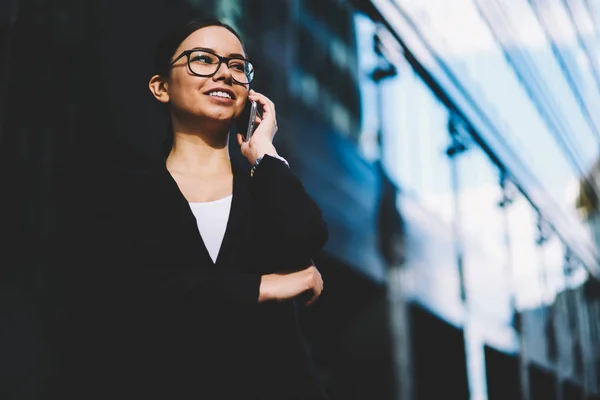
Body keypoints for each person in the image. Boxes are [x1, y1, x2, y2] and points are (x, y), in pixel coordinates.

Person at [65, 18, 329, 400]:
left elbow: (306, 237)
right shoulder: (121, 189)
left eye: (237, 66)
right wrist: (266, 286)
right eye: (203, 59)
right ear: (161, 87)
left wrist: (265, 152)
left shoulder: (266, 186)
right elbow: (131, 296)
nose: (224, 73)